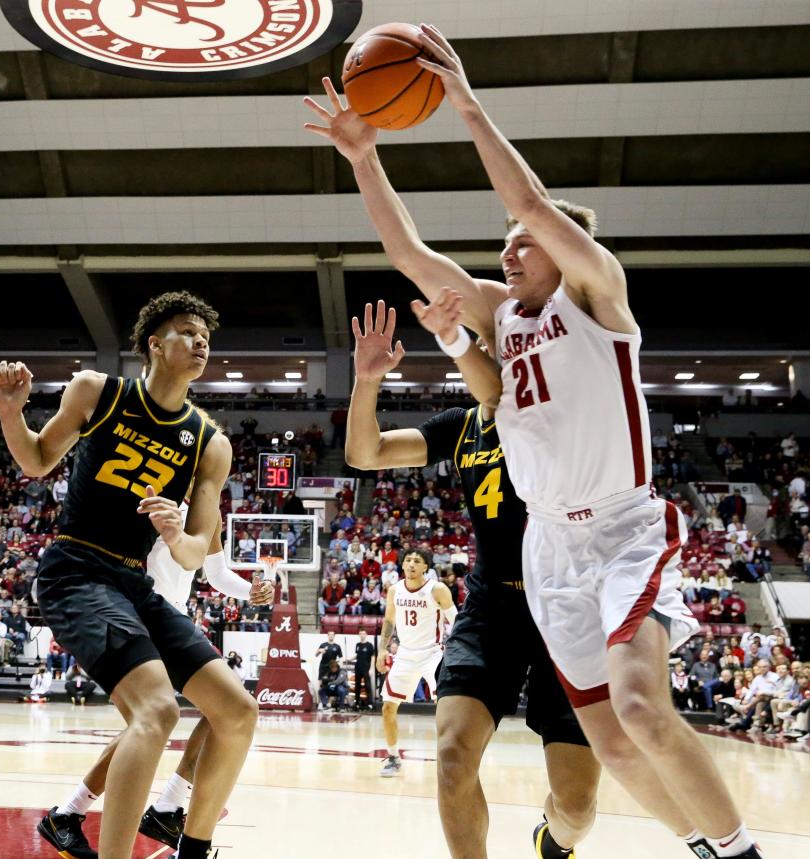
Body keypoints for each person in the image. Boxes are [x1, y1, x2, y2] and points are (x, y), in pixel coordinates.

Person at [305, 29, 759, 857]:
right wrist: (364, 155)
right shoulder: (501, 316)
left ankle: (740, 850)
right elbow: (410, 255)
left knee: (641, 711)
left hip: (621, 526)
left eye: (520, 242)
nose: (508, 249)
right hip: (548, 546)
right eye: (504, 246)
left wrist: (467, 105)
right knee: (615, 746)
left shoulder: (597, 295)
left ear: (562, 250)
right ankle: (703, 841)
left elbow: (535, 207)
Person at [0, 291, 255, 859]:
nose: (201, 341)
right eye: (187, 331)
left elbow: (193, 555)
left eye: (205, 335)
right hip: (76, 568)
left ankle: (193, 845)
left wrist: (173, 533)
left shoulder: (211, 443)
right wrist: (12, 414)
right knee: (157, 710)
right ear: (154, 345)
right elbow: (38, 461)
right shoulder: (98, 391)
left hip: (135, 580)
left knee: (237, 710)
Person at [345, 300, 599, 857]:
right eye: (482, 345)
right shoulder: (461, 427)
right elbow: (364, 454)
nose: (489, 355)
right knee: (453, 755)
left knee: (577, 807)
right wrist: (367, 383)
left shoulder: (561, 413)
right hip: (491, 609)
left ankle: (555, 839)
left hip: (570, 611)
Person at [42, 467, 274, 859]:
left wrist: (249, 589)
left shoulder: (207, 511)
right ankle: (144, 807)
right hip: (135, 610)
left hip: (172, 616)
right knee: (158, 720)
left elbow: (214, 573)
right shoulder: (144, 493)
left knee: (222, 710)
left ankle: (86, 811)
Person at [375, 548, 456, 779]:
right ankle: (393, 757)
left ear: (425, 567)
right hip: (405, 655)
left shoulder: (437, 589)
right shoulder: (394, 590)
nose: (411, 564)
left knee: (446, 707)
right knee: (388, 707)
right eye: (408, 560)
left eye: (416, 561)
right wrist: (382, 650)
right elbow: (389, 620)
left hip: (433, 654)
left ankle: (450, 757)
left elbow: (456, 620)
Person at [353, 629, 374, 711]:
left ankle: (370, 704)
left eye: (363, 633)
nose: (362, 635)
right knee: (357, 686)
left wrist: (371, 668)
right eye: (360, 633)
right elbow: (357, 655)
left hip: (366, 668)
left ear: (366, 635)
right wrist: (348, 659)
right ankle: (357, 703)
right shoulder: (357, 645)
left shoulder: (369, 645)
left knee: (367, 686)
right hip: (358, 667)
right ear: (359, 635)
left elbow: (373, 657)